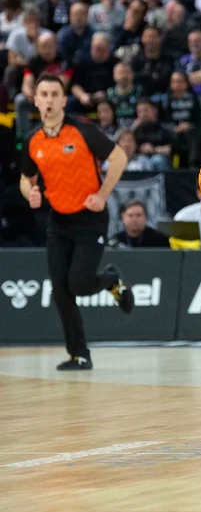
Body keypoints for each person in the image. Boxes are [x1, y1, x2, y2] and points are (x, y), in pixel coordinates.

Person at [19, 74, 135, 371]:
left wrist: (102, 194)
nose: (48, 99)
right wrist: (30, 192)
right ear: (36, 99)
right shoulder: (33, 140)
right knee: (60, 290)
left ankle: (111, 280)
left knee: (80, 284)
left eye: (54, 94)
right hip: (58, 221)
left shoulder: (83, 130)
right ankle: (79, 354)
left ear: (63, 99)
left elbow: (119, 158)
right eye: (43, 94)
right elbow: (26, 178)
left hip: (90, 219)